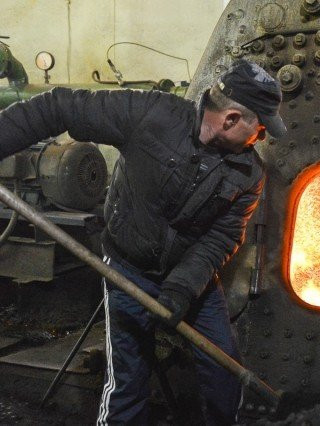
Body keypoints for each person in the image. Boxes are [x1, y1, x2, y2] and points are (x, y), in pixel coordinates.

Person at [0, 59, 286, 424]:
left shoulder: (249, 173)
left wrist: (183, 288)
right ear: (231, 119)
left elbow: (222, 237)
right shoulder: (151, 115)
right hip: (128, 270)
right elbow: (59, 107)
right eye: (259, 128)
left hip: (193, 278)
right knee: (128, 381)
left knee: (224, 372)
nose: (260, 138)